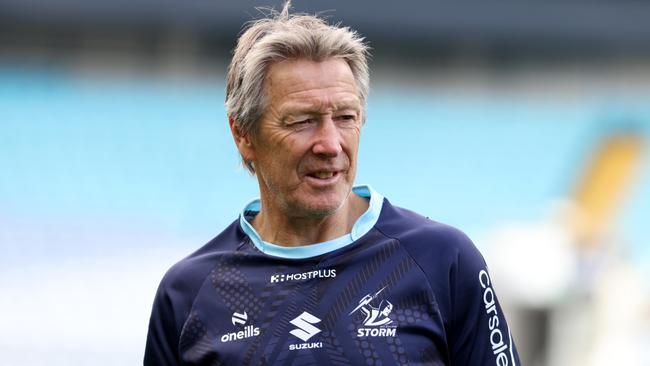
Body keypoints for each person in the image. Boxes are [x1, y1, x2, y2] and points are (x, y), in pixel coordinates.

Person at [144, 2, 520, 365]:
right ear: (243, 134)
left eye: (345, 117)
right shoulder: (189, 293)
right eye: (302, 120)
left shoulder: (442, 259)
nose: (330, 144)